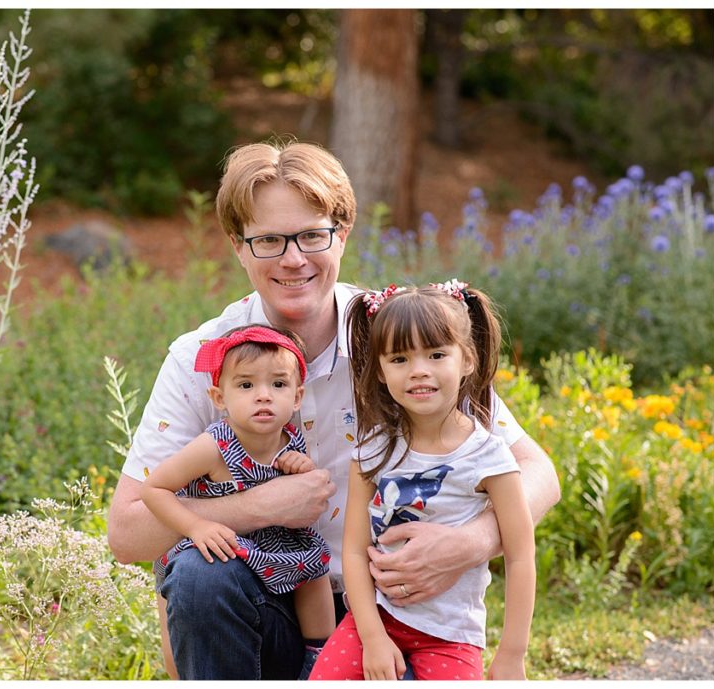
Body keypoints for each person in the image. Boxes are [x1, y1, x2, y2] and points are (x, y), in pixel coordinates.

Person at [106, 139, 560, 681]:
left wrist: (472, 541)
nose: (293, 259)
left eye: (311, 236)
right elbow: (127, 533)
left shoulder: (401, 340)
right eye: (269, 240)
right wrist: (257, 506)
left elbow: (538, 473)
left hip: (394, 611)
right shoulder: (201, 359)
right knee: (201, 577)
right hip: (266, 602)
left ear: (341, 234)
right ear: (238, 246)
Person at [309, 280, 535, 680]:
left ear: (466, 359)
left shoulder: (490, 457)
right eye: (399, 359)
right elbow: (356, 552)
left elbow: (520, 557)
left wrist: (513, 653)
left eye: (435, 354)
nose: (419, 371)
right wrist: (374, 638)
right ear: (379, 370)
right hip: (375, 619)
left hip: (450, 635)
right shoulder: (372, 451)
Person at [141, 324, 336, 679]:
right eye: (246, 385)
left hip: (277, 551)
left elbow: (303, 489)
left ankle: (318, 652)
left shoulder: (291, 439)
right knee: (200, 575)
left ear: (296, 397)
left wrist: (301, 467)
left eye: (278, 384)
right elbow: (154, 489)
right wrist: (196, 525)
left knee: (315, 565)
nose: (263, 396)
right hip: (229, 551)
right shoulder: (214, 445)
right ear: (219, 398)